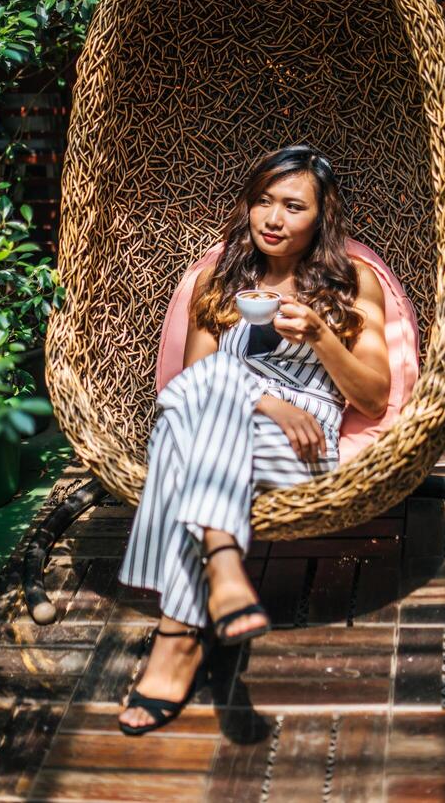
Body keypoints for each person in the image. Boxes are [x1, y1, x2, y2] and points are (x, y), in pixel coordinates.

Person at [117, 144, 391, 735]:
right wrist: (261, 399)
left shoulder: (353, 282)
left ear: (321, 217)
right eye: (262, 201)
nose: (272, 219)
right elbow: (193, 382)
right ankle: (221, 571)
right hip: (230, 420)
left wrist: (319, 335)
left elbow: (371, 396)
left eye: (293, 206)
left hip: (303, 443)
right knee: (202, 399)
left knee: (173, 437)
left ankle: (179, 635)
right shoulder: (219, 282)